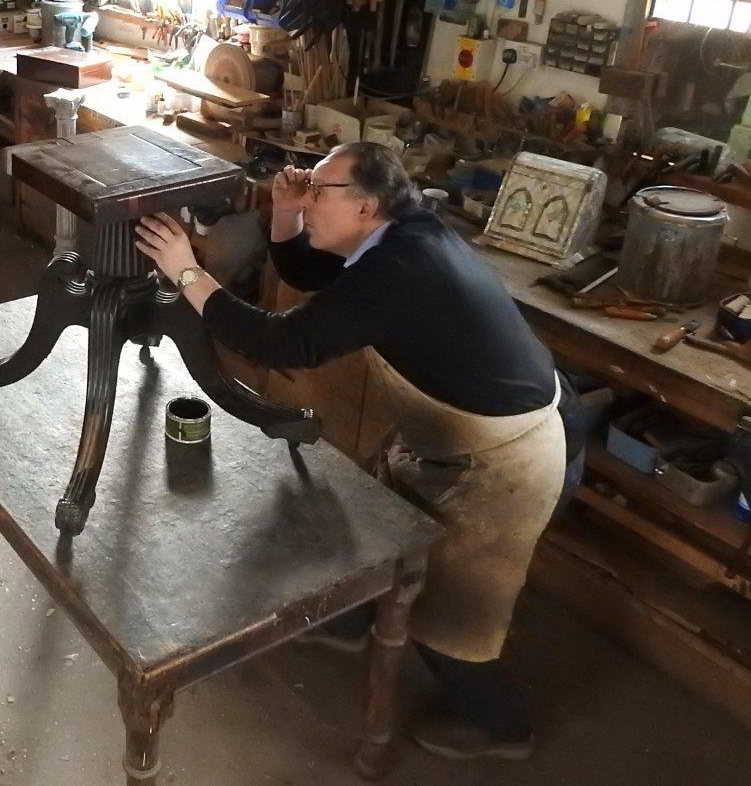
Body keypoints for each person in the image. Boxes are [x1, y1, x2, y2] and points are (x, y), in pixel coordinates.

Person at [135, 141, 581, 761]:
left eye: (320, 188)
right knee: (375, 526)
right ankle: (348, 622)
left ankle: (502, 726)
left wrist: (187, 271)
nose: (306, 191)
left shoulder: (401, 270)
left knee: (456, 615)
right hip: (452, 434)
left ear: (367, 206)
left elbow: (284, 343)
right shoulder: (394, 237)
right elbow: (312, 273)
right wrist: (287, 213)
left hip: (508, 456)